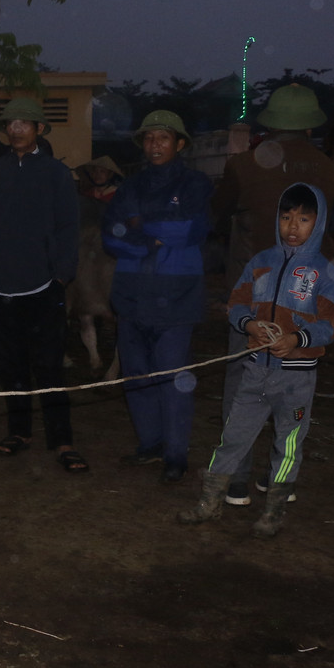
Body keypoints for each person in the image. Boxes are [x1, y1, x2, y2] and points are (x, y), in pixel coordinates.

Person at [177, 183, 334, 536]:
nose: (293, 227)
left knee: (289, 442)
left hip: (296, 380)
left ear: (319, 222)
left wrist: (297, 338)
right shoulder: (260, 263)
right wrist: (249, 323)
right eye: (286, 217)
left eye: (303, 219)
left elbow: (333, 323)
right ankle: (210, 502)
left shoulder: (323, 272)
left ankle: (273, 511)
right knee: (233, 436)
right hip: (255, 372)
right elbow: (237, 302)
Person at [211, 83, 334, 504]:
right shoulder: (327, 167)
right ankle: (277, 476)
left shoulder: (243, 165)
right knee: (293, 388)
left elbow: (217, 215)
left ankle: (237, 480)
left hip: (256, 294)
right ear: (309, 125)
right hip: (306, 295)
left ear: (271, 122)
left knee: (243, 383)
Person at [0, 98, 88, 473]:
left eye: (24, 123)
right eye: (11, 123)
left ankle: (62, 439)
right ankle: (19, 432)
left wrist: (61, 274)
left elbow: (69, 227)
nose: (16, 129)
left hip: (43, 286)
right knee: (10, 366)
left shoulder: (56, 173)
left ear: (39, 129)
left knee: (50, 366)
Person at [102, 111, 213, 483]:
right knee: (136, 376)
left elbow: (190, 229)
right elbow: (111, 236)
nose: (155, 145)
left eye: (163, 138)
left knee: (172, 377)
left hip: (177, 295)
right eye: (149, 138)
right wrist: (150, 239)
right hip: (131, 294)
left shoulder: (195, 183)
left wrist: (138, 226)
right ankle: (150, 443)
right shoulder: (129, 187)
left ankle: (176, 454)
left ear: (179, 143)